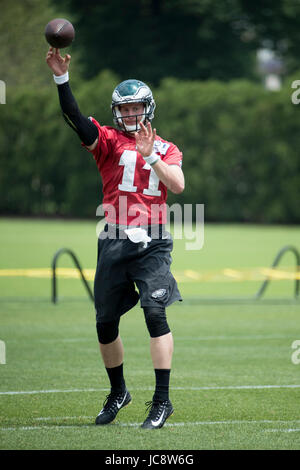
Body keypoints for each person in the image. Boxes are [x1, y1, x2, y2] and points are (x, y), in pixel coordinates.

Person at [46, 47, 184, 429]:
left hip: (153, 241)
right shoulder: (106, 141)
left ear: (148, 108)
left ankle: (162, 400)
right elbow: (74, 117)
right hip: (114, 238)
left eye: (135, 107)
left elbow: (178, 184)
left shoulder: (166, 148)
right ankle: (119, 391)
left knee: (155, 313)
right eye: (123, 109)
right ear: (116, 112)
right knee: (105, 322)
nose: (129, 115)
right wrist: (61, 78)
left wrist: (151, 157)